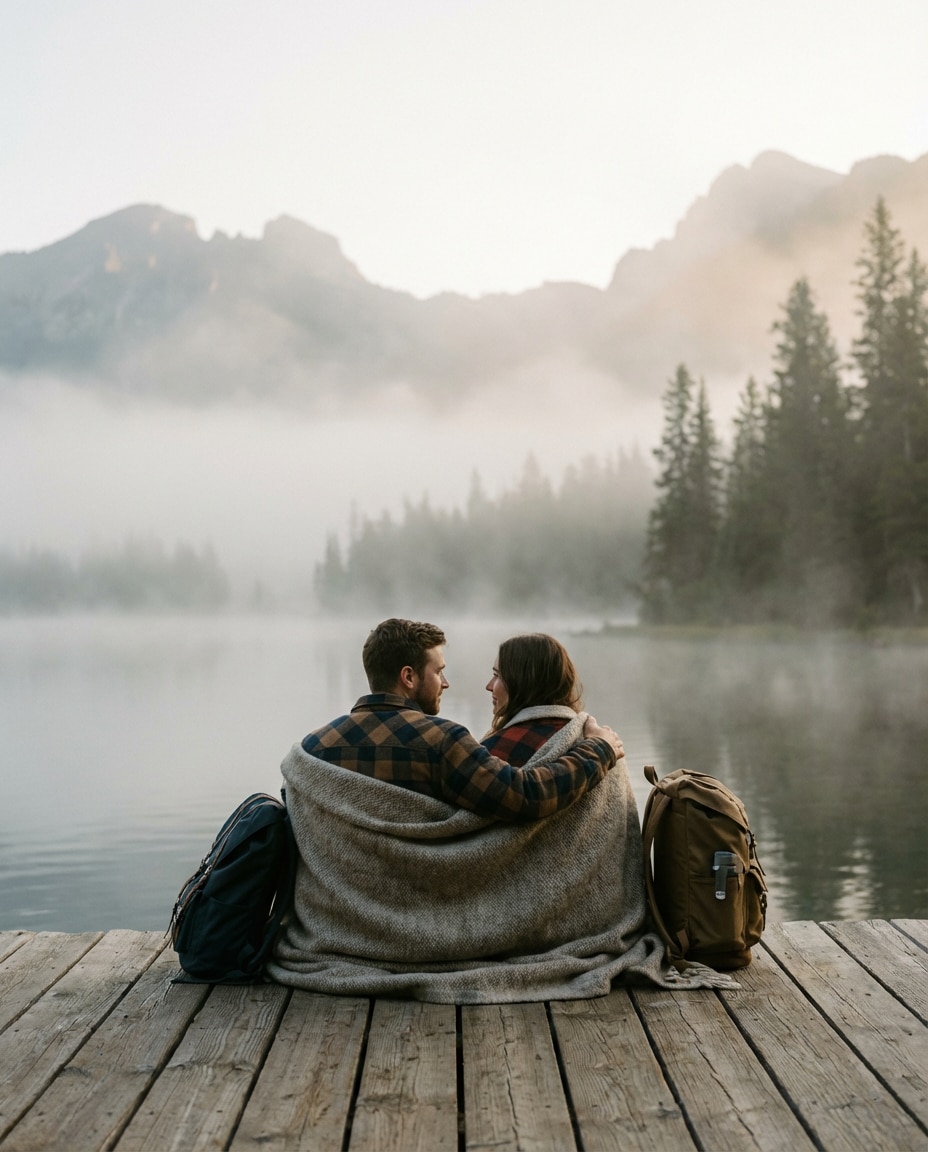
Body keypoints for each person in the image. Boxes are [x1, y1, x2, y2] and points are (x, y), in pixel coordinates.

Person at [297, 617, 622, 821]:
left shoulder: (314, 748)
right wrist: (600, 749)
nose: (447, 683)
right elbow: (526, 796)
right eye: (439, 671)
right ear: (408, 677)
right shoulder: (443, 742)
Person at [482, 632, 585, 766]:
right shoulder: (593, 740)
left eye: (498, 675)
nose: (489, 686)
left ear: (523, 683)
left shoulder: (497, 750)